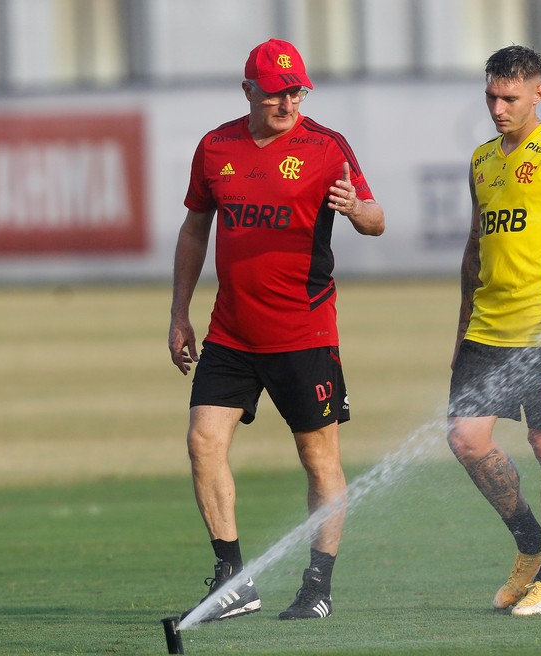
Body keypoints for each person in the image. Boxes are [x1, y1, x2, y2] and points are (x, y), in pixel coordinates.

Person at [168, 38, 385, 623]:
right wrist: (178, 312)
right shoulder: (215, 147)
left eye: (296, 90)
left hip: (305, 333)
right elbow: (194, 230)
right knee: (202, 443)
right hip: (231, 331)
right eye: (276, 92)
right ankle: (233, 580)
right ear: (249, 91)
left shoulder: (325, 146)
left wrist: (356, 210)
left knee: (318, 459)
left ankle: (317, 585)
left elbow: (376, 219)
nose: (288, 101)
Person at [447, 45, 541, 616]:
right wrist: (461, 327)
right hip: (487, 327)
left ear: (537, 92)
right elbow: (474, 247)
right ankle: (530, 547)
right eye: (491, 96)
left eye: (510, 97)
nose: (498, 107)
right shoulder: (481, 160)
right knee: (466, 438)